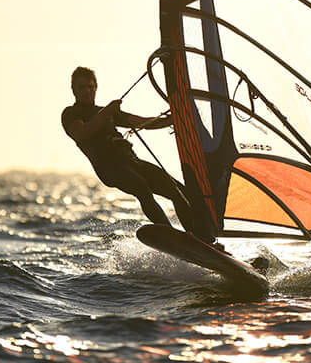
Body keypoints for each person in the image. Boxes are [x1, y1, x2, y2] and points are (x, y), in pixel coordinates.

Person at [61, 66, 218, 245]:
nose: (87, 91)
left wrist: (172, 118)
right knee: (142, 187)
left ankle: (200, 239)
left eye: (91, 86)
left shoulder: (107, 112)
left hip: (131, 161)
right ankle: (173, 238)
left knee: (175, 189)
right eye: (82, 87)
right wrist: (108, 111)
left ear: (96, 87)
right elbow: (82, 133)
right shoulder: (70, 114)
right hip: (110, 168)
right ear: (73, 89)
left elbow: (143, 122)